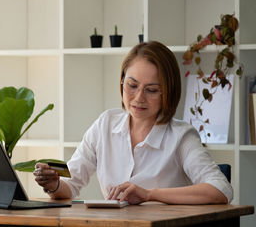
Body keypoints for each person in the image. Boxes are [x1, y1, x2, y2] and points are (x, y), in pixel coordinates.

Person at [33, 41, 232, 205]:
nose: (138, 98)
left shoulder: (181, 136)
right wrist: (53, 184)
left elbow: (221, 189)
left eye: (151, 90)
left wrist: (150, 194)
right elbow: (70, 184)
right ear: (122, 81)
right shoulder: (105, 125)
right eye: (132, 85)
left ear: (168, 92)